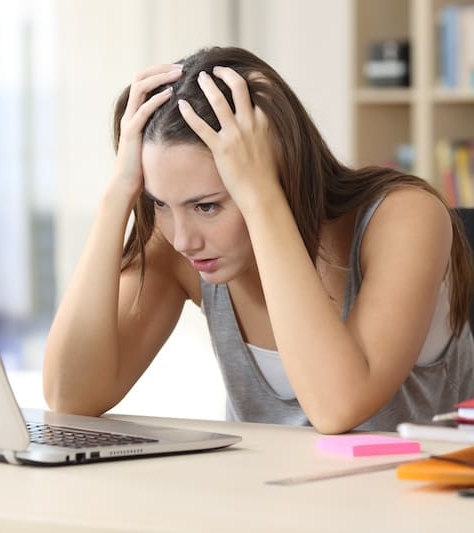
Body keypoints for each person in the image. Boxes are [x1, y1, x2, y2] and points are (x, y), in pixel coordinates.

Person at [42, 46, 474, 434]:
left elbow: (338, 407)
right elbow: (70, 395)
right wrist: (117, 195)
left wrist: (261, 195)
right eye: (159, 203)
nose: (183, 240)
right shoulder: (179, 242)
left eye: (207, 206)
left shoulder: (404, 216)